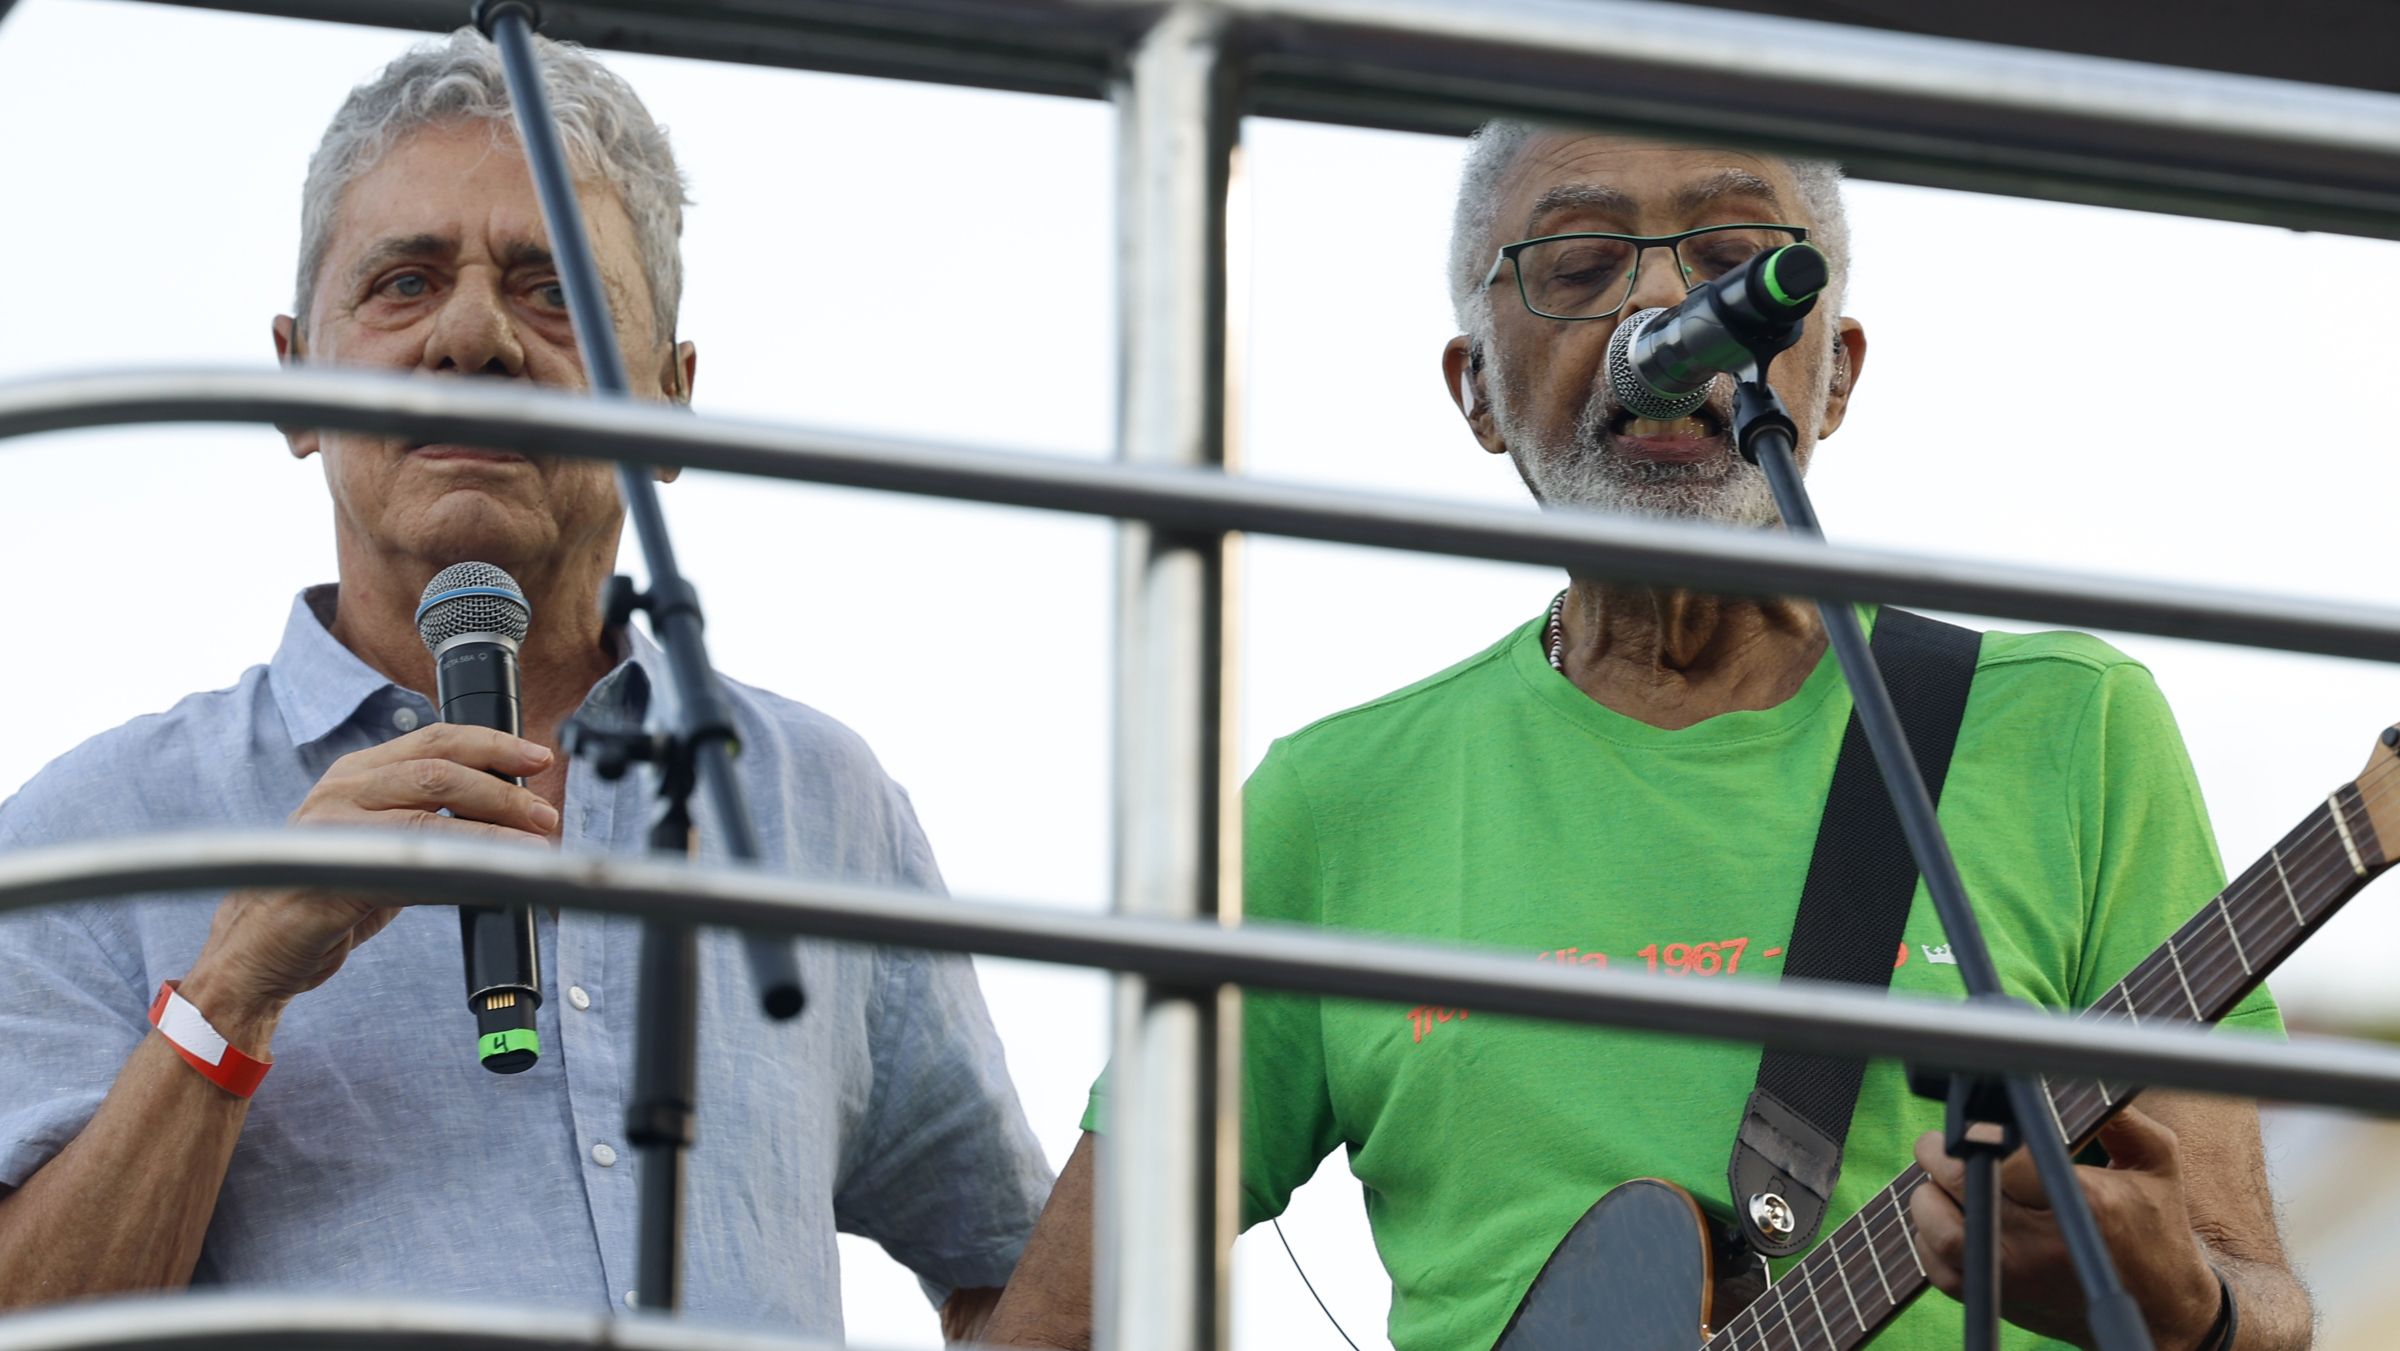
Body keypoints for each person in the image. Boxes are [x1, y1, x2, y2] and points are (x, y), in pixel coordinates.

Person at [983, 123, 2309, 1350]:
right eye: (1579, 267)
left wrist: (2183, 1305)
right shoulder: (1333, 806)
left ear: (1835, 372)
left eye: (1736, 264)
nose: (1664, 309)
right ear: (1476, 391)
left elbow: (2267, 1306)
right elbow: (1055, 1326)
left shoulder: (2069, 726)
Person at [0, 30, 1048, 1341]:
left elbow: (1011, 1272)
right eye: (404, 283)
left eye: (553, 293)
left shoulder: (817, 802)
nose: (473, 336)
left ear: (669, 401)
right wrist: (233, 989)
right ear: (296, 383)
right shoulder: (88, 834)